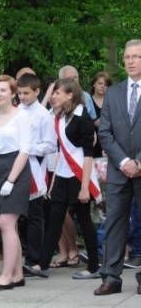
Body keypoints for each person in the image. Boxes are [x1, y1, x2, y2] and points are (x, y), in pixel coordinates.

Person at [25, 79, 101, 282]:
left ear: (70, 95)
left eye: (58, 93)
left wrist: (85, 187)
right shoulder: (59, 117)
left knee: (84, 221)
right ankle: (42, 264)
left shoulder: (82, 118)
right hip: (63, 174)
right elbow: (60, 152)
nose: (53, 96)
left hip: (79, 176)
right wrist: (53, 181)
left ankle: (94, 266)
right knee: (55, 219)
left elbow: (87, 155)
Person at [95, 39, 141, 296]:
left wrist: (139, 163)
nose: (131, 61)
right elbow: (105, 133)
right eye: (127, 57)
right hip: (118, 170)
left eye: (136, 56)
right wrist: (124, 162)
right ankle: (111, 277)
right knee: (114, 222)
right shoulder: (113, 93)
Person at [0, 75, 31, 289]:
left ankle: (6, 276)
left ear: (13, 93)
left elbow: (25, 150)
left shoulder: (22, 115)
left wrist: (11, 180)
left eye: (3, 90)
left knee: (6, 224)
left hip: (17, 170)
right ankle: (18, 274)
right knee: (11, 227)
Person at [15, 73, 57, 273]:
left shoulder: (43, 115)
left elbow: (50, 145)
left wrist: (27, 148)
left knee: (35, 214)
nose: (22, 97)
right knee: (16, 214)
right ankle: (18, 255)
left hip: (34, 168)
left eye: (26, 93)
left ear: (37, 91)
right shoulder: (17, 110)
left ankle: (34, 258)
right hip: (16, 166)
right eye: (20, 93)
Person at [90, 71, 112, 157]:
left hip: (110, 140)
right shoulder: (87, 100)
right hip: (92, 140)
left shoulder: (113, 101)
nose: (103, 86)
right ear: (94, 84)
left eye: (106, 84)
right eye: (100, 83)